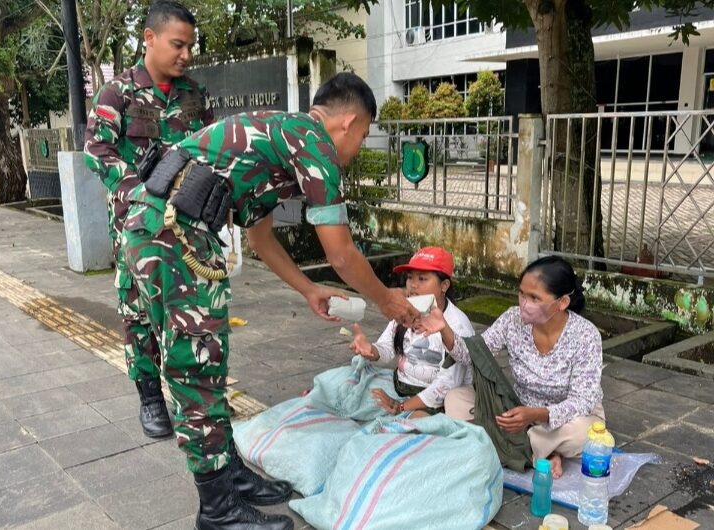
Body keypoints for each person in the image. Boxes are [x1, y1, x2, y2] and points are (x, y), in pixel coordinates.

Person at [121, 72, 419, 530]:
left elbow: (260, 238)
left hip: (159, 227)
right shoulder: (314, 143)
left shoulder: (280, 135)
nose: (359, 148)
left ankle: (231, 476)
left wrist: (308, 290)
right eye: (363, 136)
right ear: (350, 122)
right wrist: (386, 300)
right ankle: (218, 509)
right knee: (197, 368)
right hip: (173, 234)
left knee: (208, 363)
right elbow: (341, 254)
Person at [84, 0, 215, 440]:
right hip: (137, 228)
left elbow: (212, 150)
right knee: (139, 312)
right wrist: (142, 191)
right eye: (178, 45)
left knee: (192, 310)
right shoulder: (117, 93)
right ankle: (151, 396)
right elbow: (96, 151)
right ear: (150, 38)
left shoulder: (194, 94)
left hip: (188, 227)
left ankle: (193, 394)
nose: (186, 55)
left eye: (190, 46)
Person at [423, 256, 604, 479]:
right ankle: (541, 451)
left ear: (562, 303)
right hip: (517, 407)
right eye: (522, 294)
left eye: (534, 297)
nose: (524, 303)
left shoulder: (586, 335)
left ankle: (515, 446)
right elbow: (472, 355)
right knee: (455, 399)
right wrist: (444, 329)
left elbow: (582, 400)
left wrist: (536, 415)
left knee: (584, 434)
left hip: (565, 417)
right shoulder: (512, 319)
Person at [349, 247, 474, 417]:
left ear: (444, 285)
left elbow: (446, 385)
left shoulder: (457, 325)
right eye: (409, 277)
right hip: (400, 386)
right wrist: (371, 350)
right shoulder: (405, 310)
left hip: (436, 399)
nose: (413, 285)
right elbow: (386, 348)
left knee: (414, 425)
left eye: (422, 279)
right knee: (350, 390)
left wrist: (401, 407)